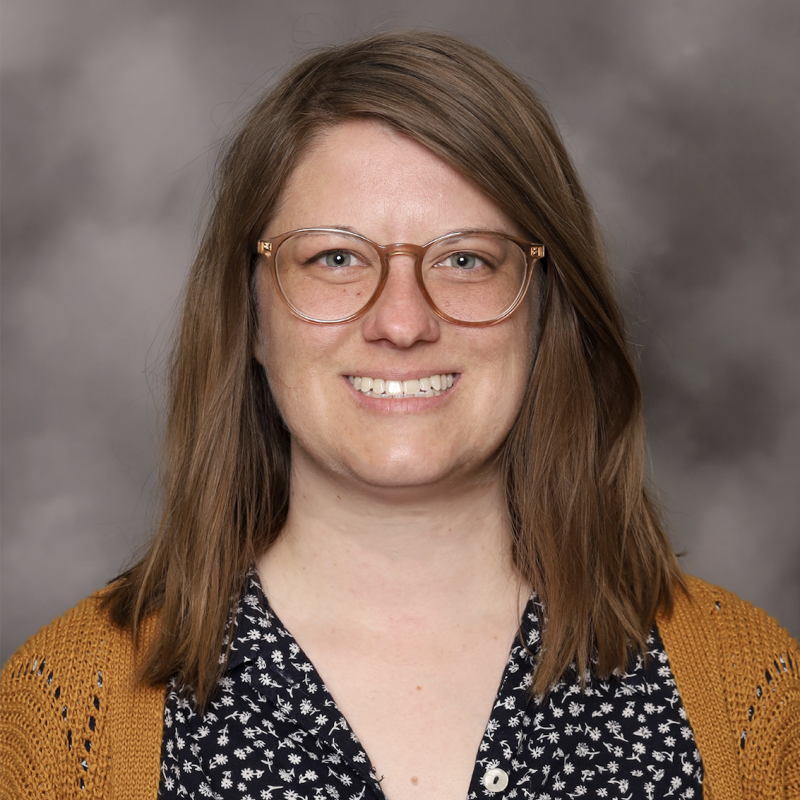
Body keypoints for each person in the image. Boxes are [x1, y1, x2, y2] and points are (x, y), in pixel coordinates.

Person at [2, 30, 798, 800]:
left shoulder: (753, 698)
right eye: (336, 258)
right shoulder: (62, 713)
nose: (403, 322)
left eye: (465, 259)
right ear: (248, 311)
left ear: (545, 308)